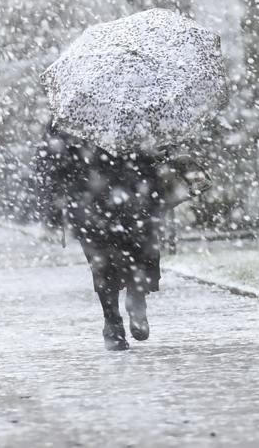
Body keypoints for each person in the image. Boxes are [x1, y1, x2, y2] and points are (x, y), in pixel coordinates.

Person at [35, 124, 194, 351]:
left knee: (112, 263)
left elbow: (49, 163)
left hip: (103, 203)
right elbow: (51, 162)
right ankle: (125, 312)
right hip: (118, 201)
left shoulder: (70, 117)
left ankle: (117, 320)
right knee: (126, 259)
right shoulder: (136, 112)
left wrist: (53, 203)